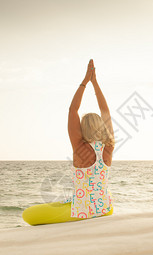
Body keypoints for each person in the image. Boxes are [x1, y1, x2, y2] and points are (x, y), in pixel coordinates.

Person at [22, 59, 116, 225]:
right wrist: (95, 83)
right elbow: (106, 111)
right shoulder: (109, 147)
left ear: (83, 129)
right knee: (66, 202)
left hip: (84, 212)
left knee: (28, 214)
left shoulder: (79, 146)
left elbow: (73, 110)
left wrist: (85, 81)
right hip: (106, 208)